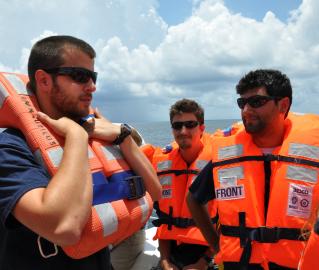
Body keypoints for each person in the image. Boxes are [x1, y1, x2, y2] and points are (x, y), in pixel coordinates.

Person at [0, 35, 161, 270]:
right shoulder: (10, 149)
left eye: (93, 77)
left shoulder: (96, 134)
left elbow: (154, 192)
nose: (92, 86)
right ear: (44, 80)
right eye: (80, 76)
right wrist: (77, 136)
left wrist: (123, 136)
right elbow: (63, 227)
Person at [187, 69, 319, 270]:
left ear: (283, 105)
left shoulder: (313, 154)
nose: (246, 110)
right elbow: (194, 200)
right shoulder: (229, 156)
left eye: (256, 102)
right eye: (242, 103)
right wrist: (216, 245)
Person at [145, 99, 218, 270]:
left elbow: (230, 222)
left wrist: (203, 262)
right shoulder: (162, 163)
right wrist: (165, 261)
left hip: (211, 252)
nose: (183, 131)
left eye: (190, 124)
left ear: (202, 128)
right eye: (177, 126)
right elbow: (164, 219)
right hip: (174, 253)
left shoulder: (219, 162)